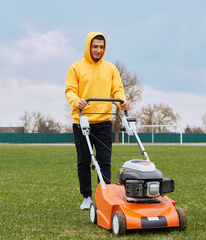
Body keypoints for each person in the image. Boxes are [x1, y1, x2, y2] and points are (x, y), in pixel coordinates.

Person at [65, 32, 130, 210]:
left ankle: (105, 194)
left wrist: (122, 101)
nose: (98, 50)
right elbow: (70, 91)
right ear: (88, 46)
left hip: (103, 121)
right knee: (84, 161)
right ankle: (86, 197)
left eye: (101, 47)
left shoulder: (110, 68)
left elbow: (117, 90)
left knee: (104, 160)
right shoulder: (75, 68)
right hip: (82, 122)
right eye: (95, 47)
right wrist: (76, 101)